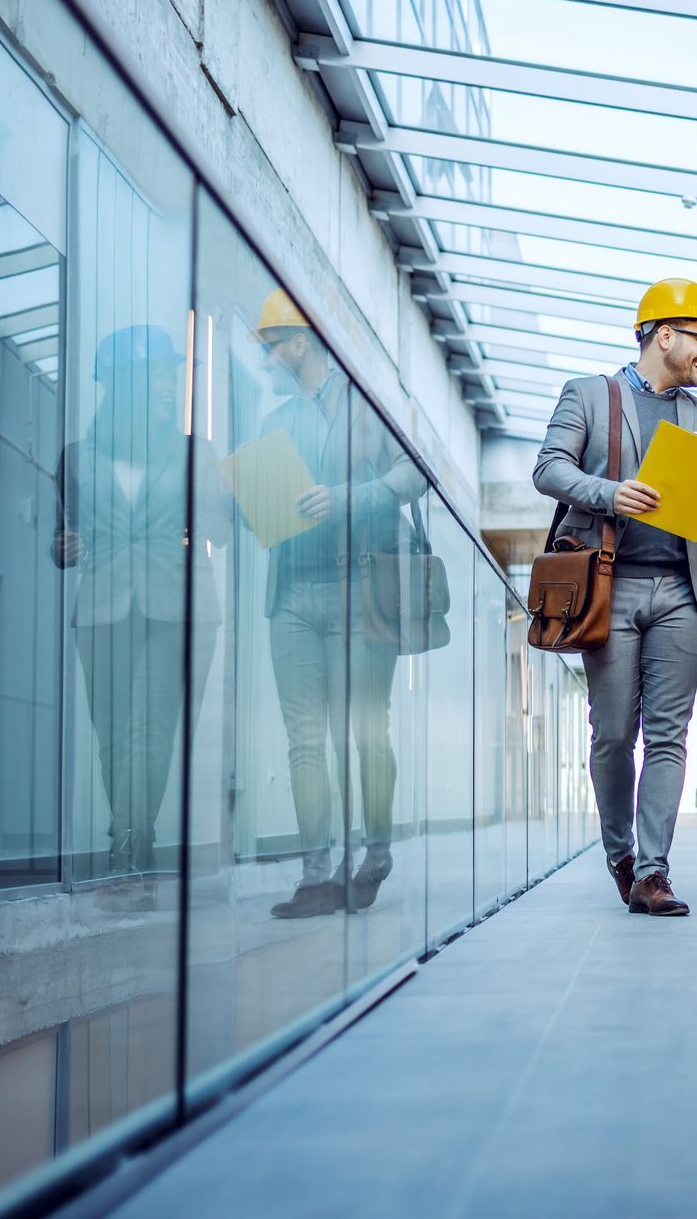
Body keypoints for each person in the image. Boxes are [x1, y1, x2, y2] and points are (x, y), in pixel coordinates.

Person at [533, 278, 697, 917]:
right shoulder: (588, 394)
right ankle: (621, 854)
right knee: (612, 733)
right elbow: (548, 469)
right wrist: (610, 493)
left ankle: (654, 872)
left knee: (668, 735)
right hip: (611, 584)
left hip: (683, 589)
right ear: (665, 335)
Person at [248, 290, 429, 920]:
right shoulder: (274, 423)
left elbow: (414, 474)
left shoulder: (365, 406)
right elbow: (263, 511)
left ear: (299, 344)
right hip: (292, 596)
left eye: (272, 347)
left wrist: (346, 498)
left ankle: (375, 853)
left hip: (360, 591)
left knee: (366, 730)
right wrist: (252, 503)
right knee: (304, 738)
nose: (267, 360)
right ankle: (315, 877)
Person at [55, 324, 228, 911]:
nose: (168, 385)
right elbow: (62, 536)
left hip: (177, 605)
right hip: (103, 606)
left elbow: (220, 530)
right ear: (123, 385)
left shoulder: (196, 453)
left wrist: (221, 501)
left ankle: (127, 855)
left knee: (148, 731)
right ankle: (137, 843)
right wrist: (65, 546)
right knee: (111, 737)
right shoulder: (78, 457)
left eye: (170, 374)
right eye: (156, 375)